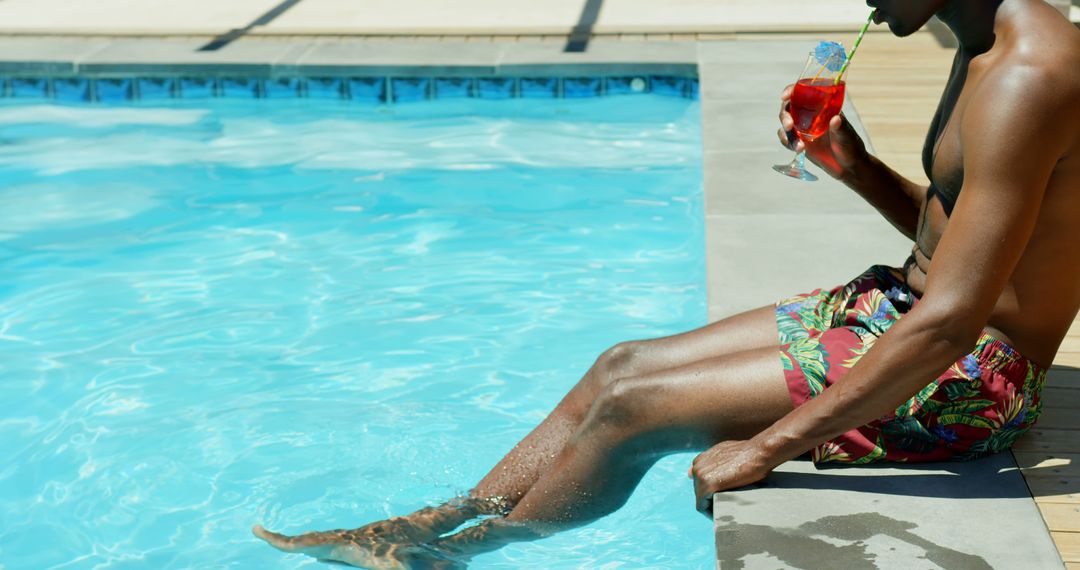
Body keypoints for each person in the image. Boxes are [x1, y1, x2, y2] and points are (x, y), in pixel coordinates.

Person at [254, 1, 1080, 567]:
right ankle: (432, 522)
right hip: (901, 310)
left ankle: (453, 557)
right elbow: (956, 240)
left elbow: (955, 318)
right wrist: (853, 167)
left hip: (971, 373)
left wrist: (766, 448)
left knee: (635, 413)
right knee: (620, 367)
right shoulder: (983, 45)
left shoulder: (1027, 77)